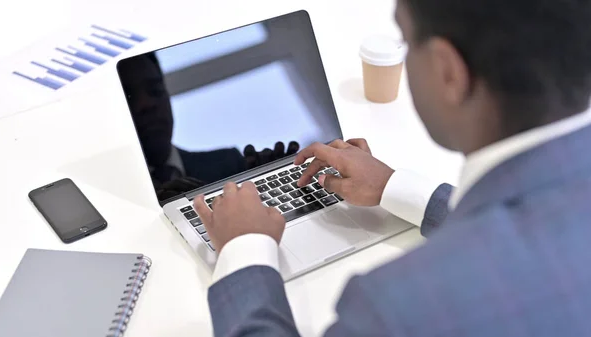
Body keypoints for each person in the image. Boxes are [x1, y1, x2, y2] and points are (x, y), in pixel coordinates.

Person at [194, 0, 591, 335]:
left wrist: (243, 249)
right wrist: (396, 188)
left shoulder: (396, 306)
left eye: (405, 42)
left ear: (448, 71)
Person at [118, 53, 299, 200]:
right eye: (129, 97)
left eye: (155, 91)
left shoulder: (231, 164)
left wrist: (278, 185)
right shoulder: (118, 197)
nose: (146, 104)